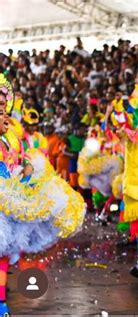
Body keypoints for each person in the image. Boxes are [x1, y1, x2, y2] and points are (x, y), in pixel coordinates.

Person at [0, 74, 86, 315]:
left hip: (7, 202)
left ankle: (1, 304)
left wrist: (26, 169)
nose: (5, 115)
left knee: (4, 256)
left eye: (4, 108)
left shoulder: (10, 139)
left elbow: (18, 160)